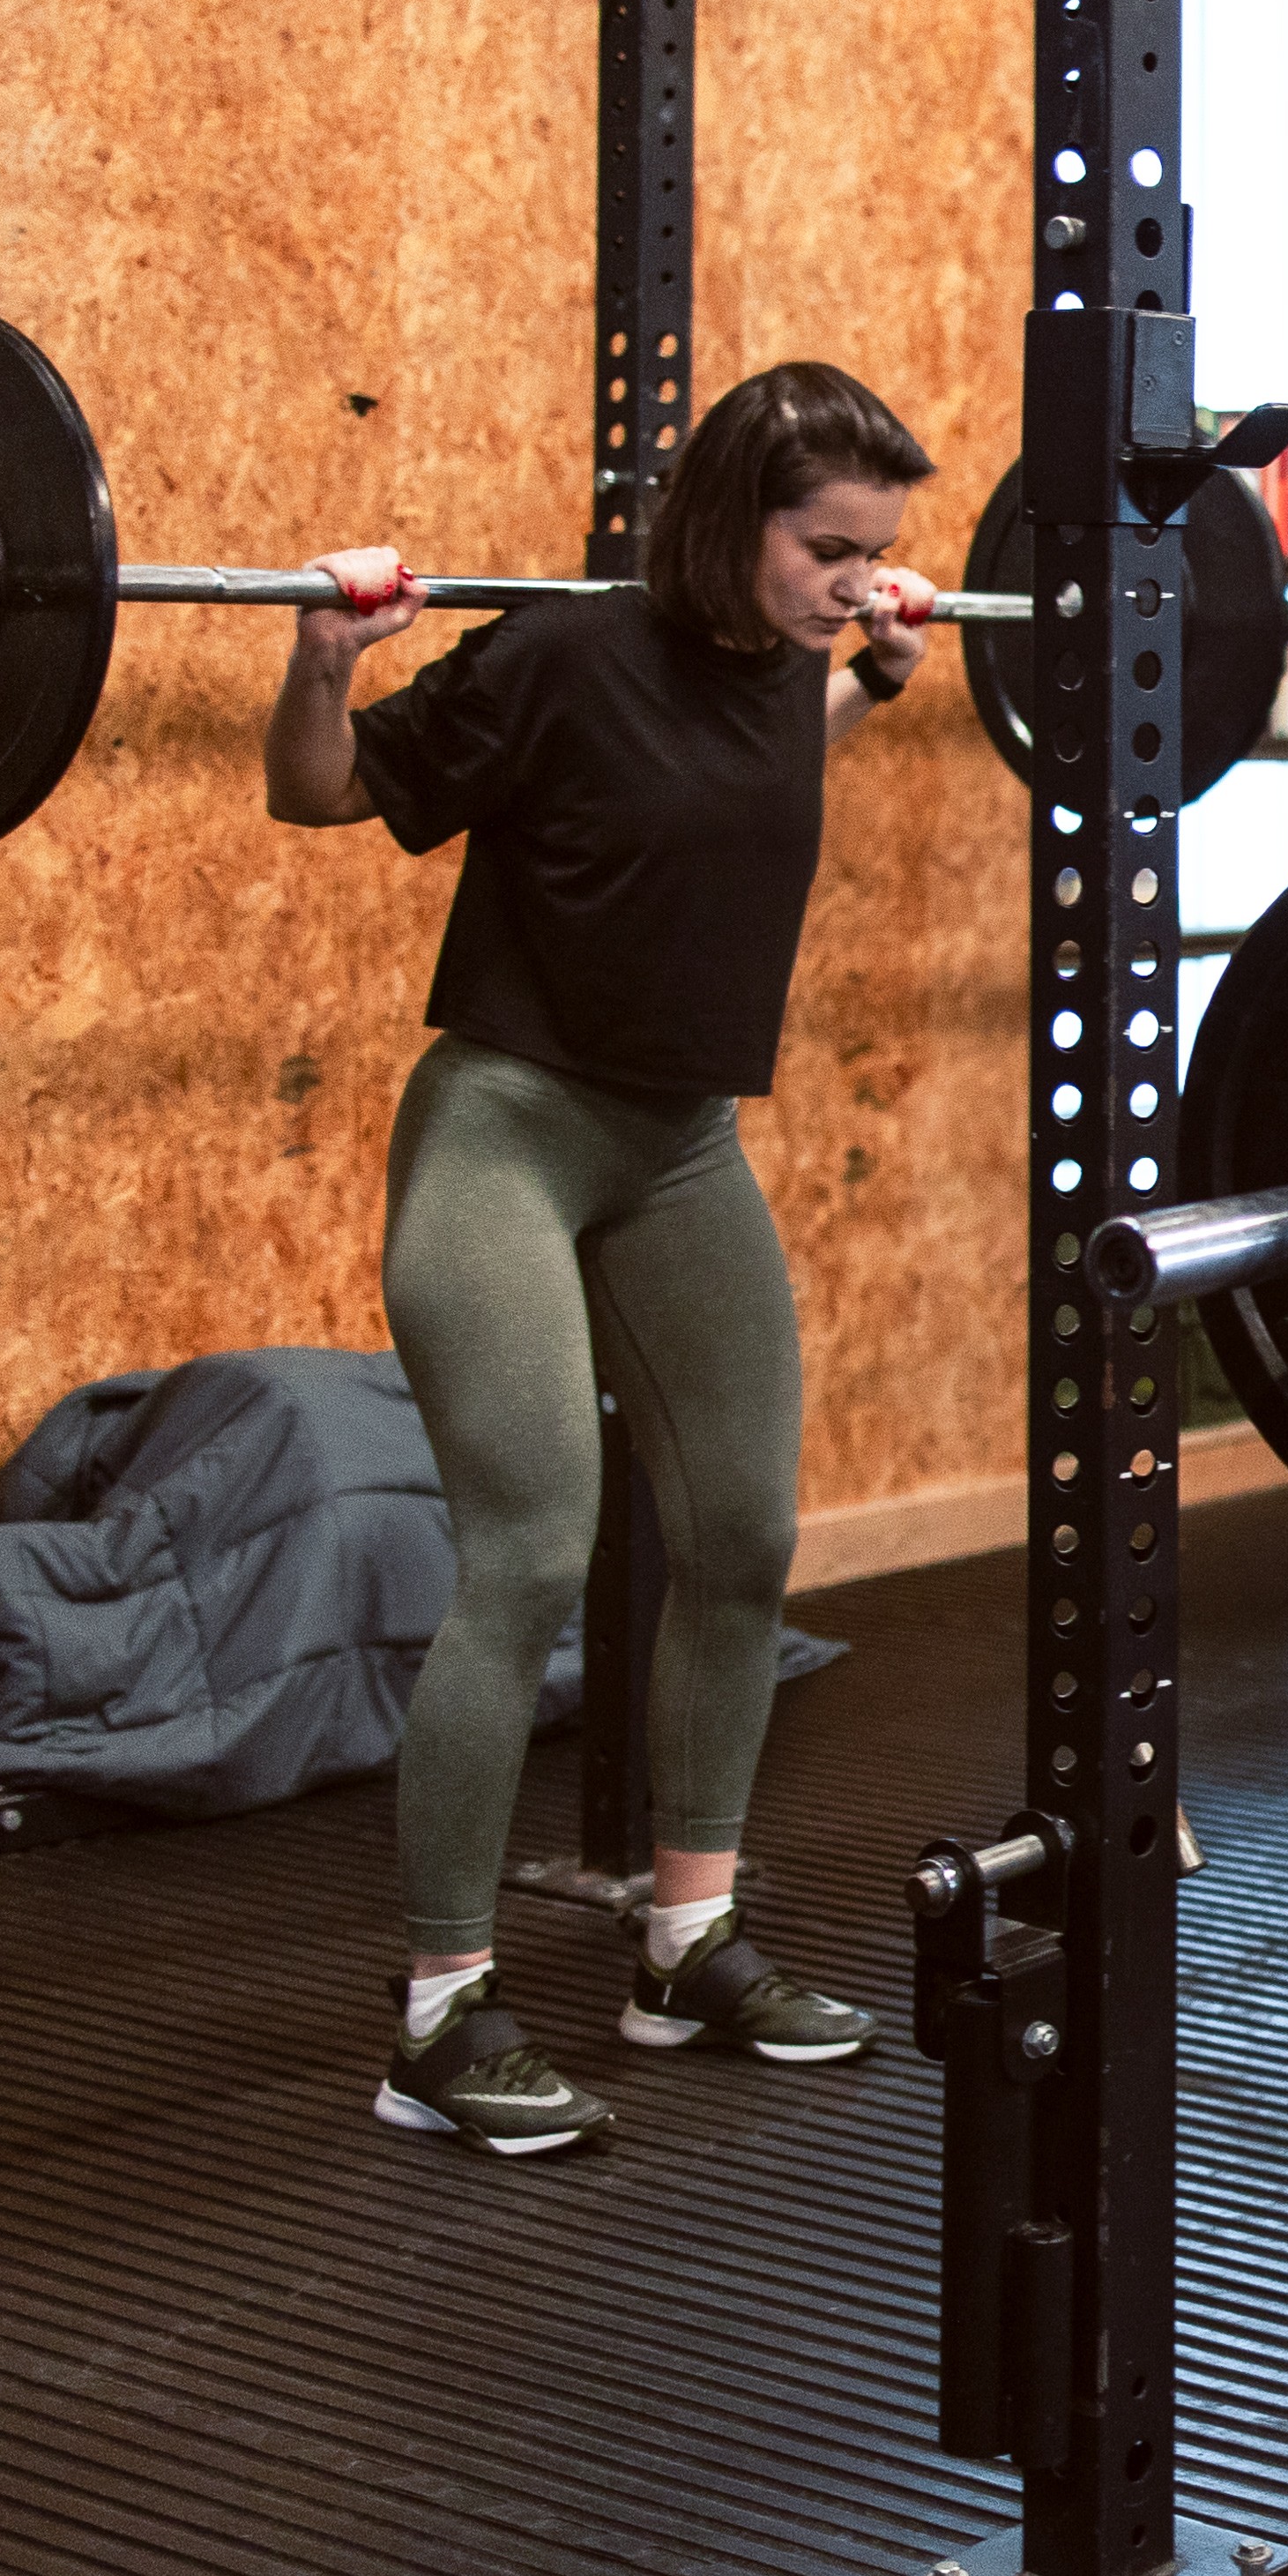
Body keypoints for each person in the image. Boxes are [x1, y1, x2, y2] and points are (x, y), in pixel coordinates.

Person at [262, 364, 945, 2154]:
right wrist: (326, 647)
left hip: (679, 1147)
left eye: (878, 556)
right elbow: (319, 793)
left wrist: (875, 668)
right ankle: (436, 2009)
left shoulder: (787, 674)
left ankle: (686, 1939)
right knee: (530, 1553)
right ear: (730, 520)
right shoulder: (556, 658)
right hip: (506, 1132)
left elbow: (749, 781)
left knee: (745, 1535)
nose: (858, 582)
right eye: (830, 553)